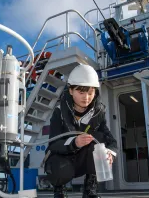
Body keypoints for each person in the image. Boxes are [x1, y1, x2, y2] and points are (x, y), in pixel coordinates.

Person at [43, 64, 118, 198]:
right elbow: (53, 144)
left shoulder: (98, 113)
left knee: (99, 138)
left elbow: (110, 139)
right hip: (62, 159)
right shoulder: (59, 112)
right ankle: (59, 189)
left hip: (82, 160)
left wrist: (109, 153)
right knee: (60, 170)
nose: (86, 97)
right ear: (71, 91)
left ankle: (90, 189)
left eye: (90, 92)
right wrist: (74, 143)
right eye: (81, 92)